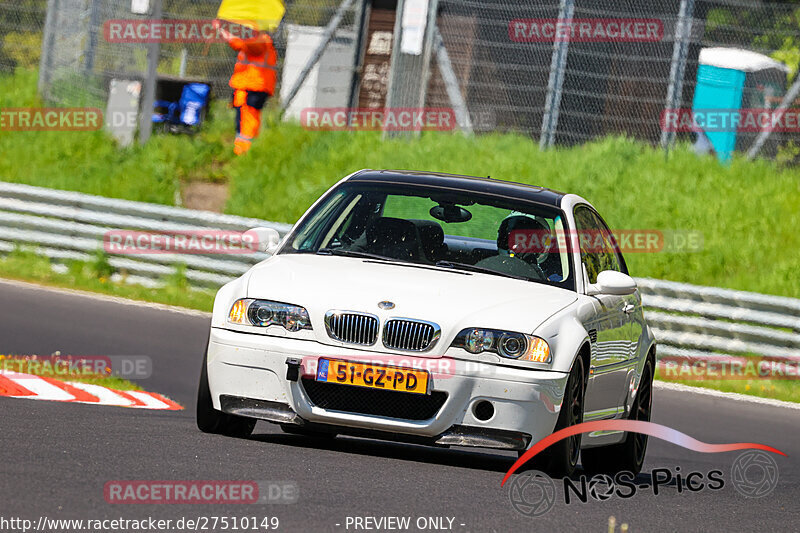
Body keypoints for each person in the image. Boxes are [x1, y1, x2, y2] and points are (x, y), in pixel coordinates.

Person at [214, 20, 278, 155]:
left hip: (254, 87)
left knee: (248, 119)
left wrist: (221, 30)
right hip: (248, 86)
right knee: (243, 119)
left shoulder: (261, 41)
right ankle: (243, 149)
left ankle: (244, 151)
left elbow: (238, 44)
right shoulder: (258, 41)